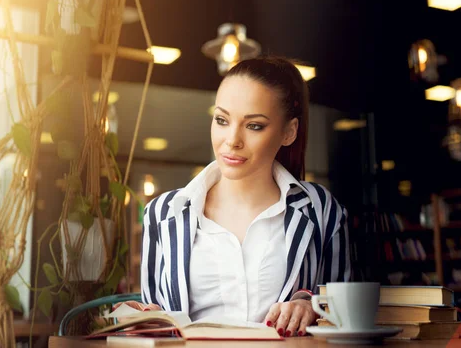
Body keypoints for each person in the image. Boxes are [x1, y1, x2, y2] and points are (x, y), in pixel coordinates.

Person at [120, 56, 351, 337]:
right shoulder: (163, 213)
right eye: (222, 120)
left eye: (254, 125)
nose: (232, 140)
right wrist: (145, 318)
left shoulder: (320, 209)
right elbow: (156, 322)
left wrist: (311, 306)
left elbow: (347, 316)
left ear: (289, 132)